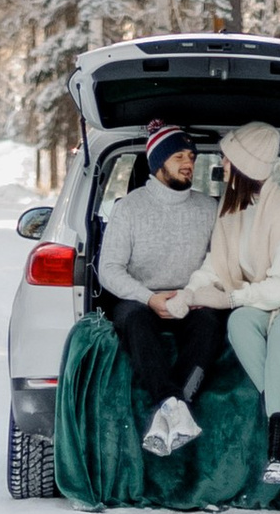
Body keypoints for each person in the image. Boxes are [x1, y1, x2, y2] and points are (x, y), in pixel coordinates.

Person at [179, 118, 280, 487]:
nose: (223, 165)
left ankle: (278, 454)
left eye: (228, 159)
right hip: (262, 300)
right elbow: (214, 265)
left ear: (246, 166)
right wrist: (191, 293)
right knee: (238, 324)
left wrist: (229, 297)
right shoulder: (231, 211)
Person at [96, 121, 231, 456]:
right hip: (141, 297)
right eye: (179, 156)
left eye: (191, 156)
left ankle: (169, 411)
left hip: (191, 297)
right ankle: (172, 405)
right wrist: (149, 298)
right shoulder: (128, 208)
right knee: (135, 320)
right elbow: (109, 269)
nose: (189, 163)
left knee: (210, 323)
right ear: (158, 163)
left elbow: (221, 262)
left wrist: (196, 294)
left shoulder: (208, 209)